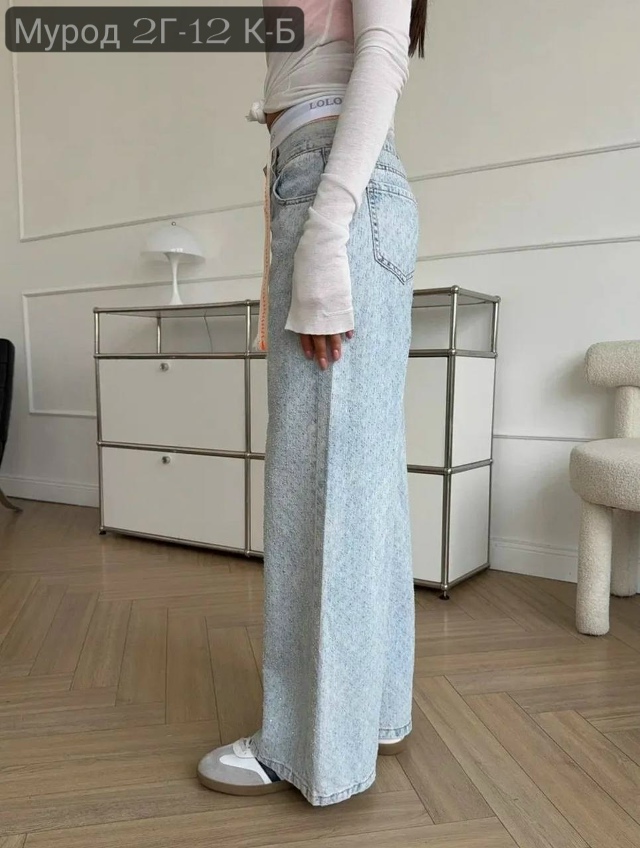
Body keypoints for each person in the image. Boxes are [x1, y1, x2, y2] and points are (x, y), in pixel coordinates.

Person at [197, 0, 427, 807]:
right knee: (367, 483)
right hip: (334, 186)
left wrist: (325, 234)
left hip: (335, 192)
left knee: (315, 485)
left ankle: (306, 748)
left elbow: (383, 53)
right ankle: (376, 711)